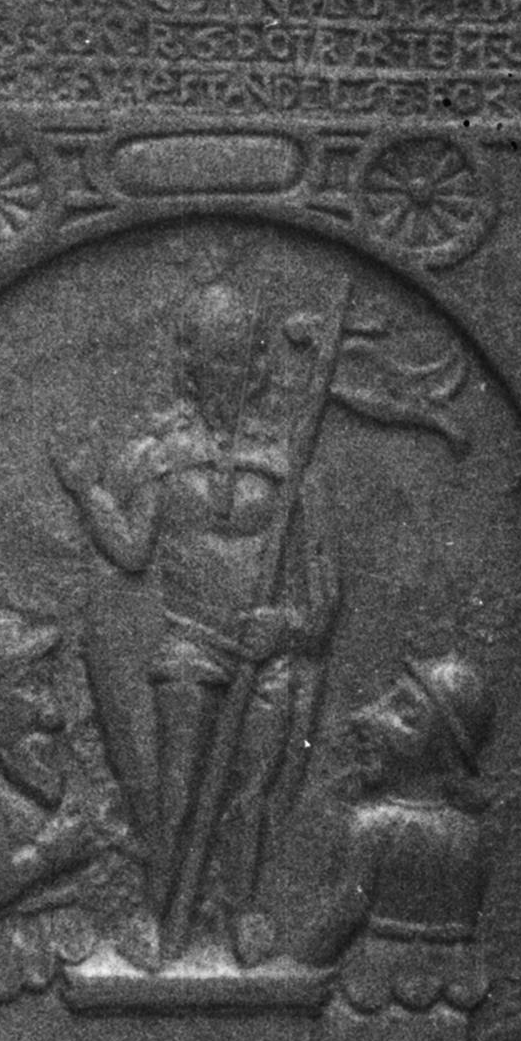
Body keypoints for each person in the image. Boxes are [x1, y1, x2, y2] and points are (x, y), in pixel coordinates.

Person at [52, 278, 337, 953]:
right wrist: (87, 490)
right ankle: (159, 912)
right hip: (190, 644)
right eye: (213, 356)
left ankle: (244, 911)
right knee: (177, 789)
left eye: (239, 356)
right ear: (189, 362)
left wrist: (287, 626)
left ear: (259, 364)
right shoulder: (160, 456)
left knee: (252, 793)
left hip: (265, 652)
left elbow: (324, 595)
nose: (225, 372)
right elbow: (131, 552)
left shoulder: (288, 463)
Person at [297, 651, 495, 1011]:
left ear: (441, 751)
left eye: (405, 713)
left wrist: (299, 963)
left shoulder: (374, 824)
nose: (366, 716)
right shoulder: (471, 831)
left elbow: (346, 909)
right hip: (457, 986)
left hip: (377, 985)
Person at [0, 610, 101, 914]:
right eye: (31, 687)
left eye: (47, 686)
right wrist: (51, 849)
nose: (52, 714)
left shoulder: (35, 790)